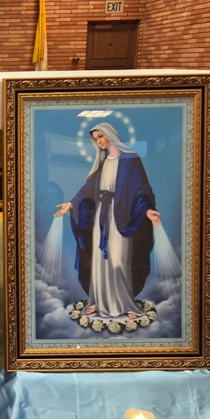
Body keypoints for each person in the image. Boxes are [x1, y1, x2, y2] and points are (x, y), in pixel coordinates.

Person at [53, 122, 161, 321]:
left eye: (101, 136)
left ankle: (125, 303)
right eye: (96, 139)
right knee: (99, 261)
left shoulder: (130, 159)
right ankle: (98, 302)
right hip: (101, 218)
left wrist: (147, 211)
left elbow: (141, 189)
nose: (99, 141)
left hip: (122, 217)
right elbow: (88, 189)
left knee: (119, 260)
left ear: (110, 134)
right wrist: (70, 204)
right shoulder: (104, 163)